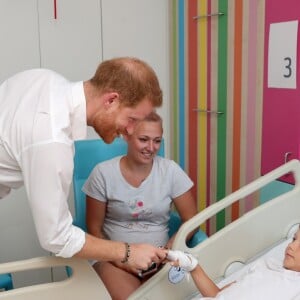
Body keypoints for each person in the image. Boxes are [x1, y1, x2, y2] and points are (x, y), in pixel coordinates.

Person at [0, 57, 167, 272]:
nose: (132, 131)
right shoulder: (52, 139)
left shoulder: (45, 79)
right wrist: (127, 252)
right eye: (132, 119)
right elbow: (56, 237)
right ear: (111, 100)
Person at [82, 112, 198, 299]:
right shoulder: (103, 173)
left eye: (157, 141)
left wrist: (169, 251)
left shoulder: (170, 171)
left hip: (160, 259)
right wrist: (121, 259)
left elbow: (192, 220)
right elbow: (94, 229)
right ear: (127, 136)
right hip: (115, 260)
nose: (151, 148)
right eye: (144, 139)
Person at [167, 228, 300, 300]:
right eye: (294, 238)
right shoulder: (266, 266)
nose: (291, 246)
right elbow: (217, 295)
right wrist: (193, 266)